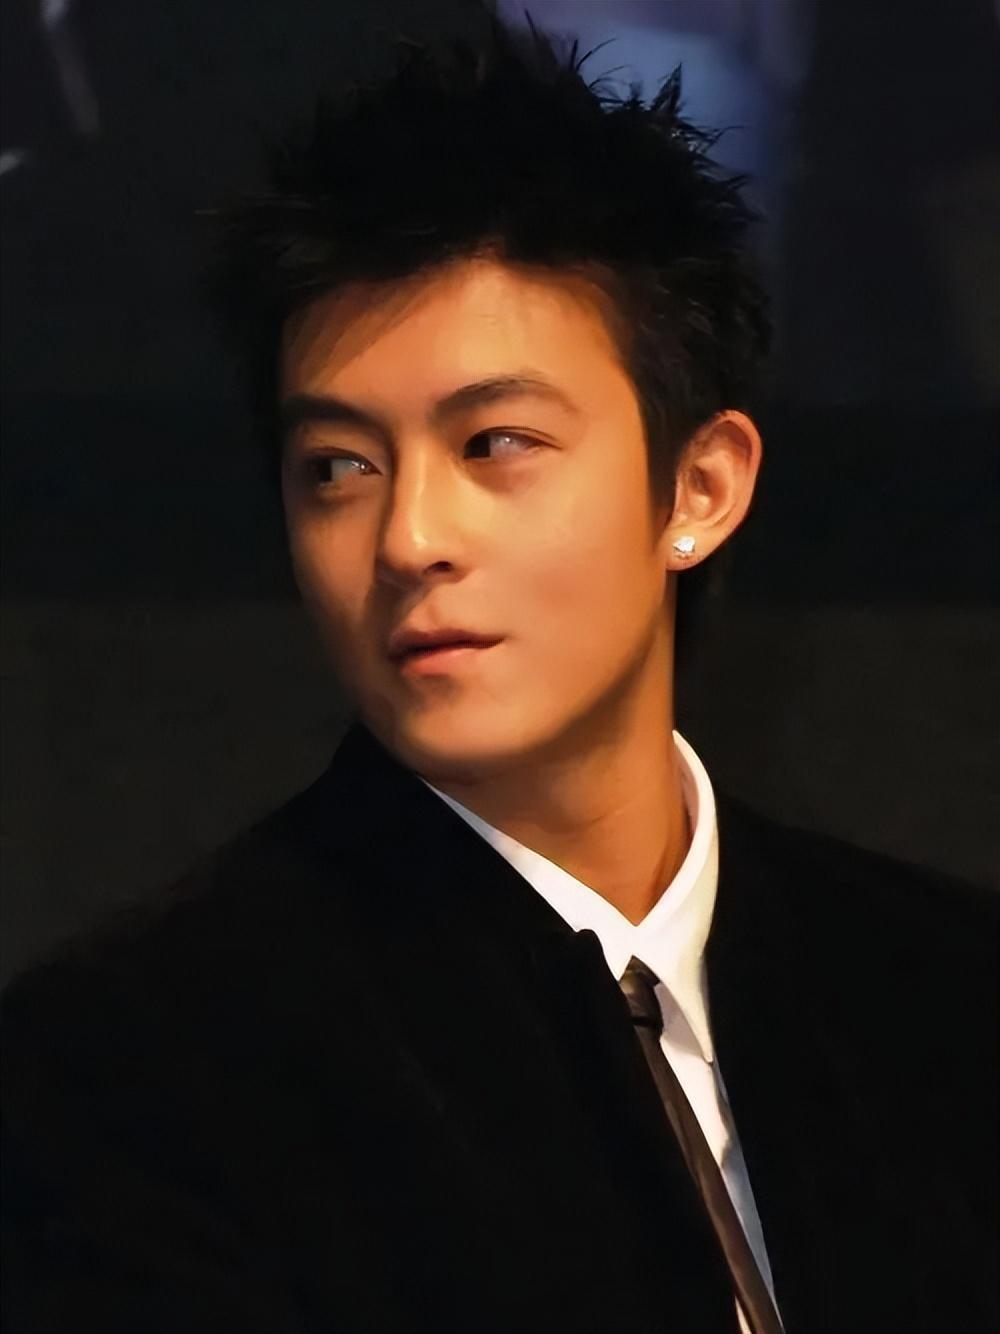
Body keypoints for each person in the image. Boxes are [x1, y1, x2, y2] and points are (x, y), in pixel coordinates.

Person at [2, 7, 997, 1332]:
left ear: (699, 486)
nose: (407, 536)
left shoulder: (947, 995)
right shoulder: (130, 1067)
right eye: (336, 468)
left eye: (496, 443)